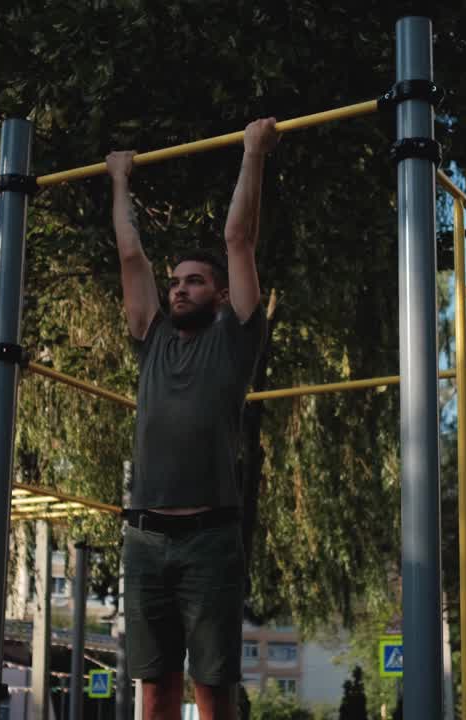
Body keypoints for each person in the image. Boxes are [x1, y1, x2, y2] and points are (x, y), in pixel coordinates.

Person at [105, 117, 280, 720]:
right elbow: (131, 252)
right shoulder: (151, 338)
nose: (179, 289)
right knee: (153, 692)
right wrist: (120, 178)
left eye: (194, 281)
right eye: (175, 281)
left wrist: (252, 152)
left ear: (223, 295)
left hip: (209, 540)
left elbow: (239, 239)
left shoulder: (235, 340)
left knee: (212, 692)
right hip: (144, 539)